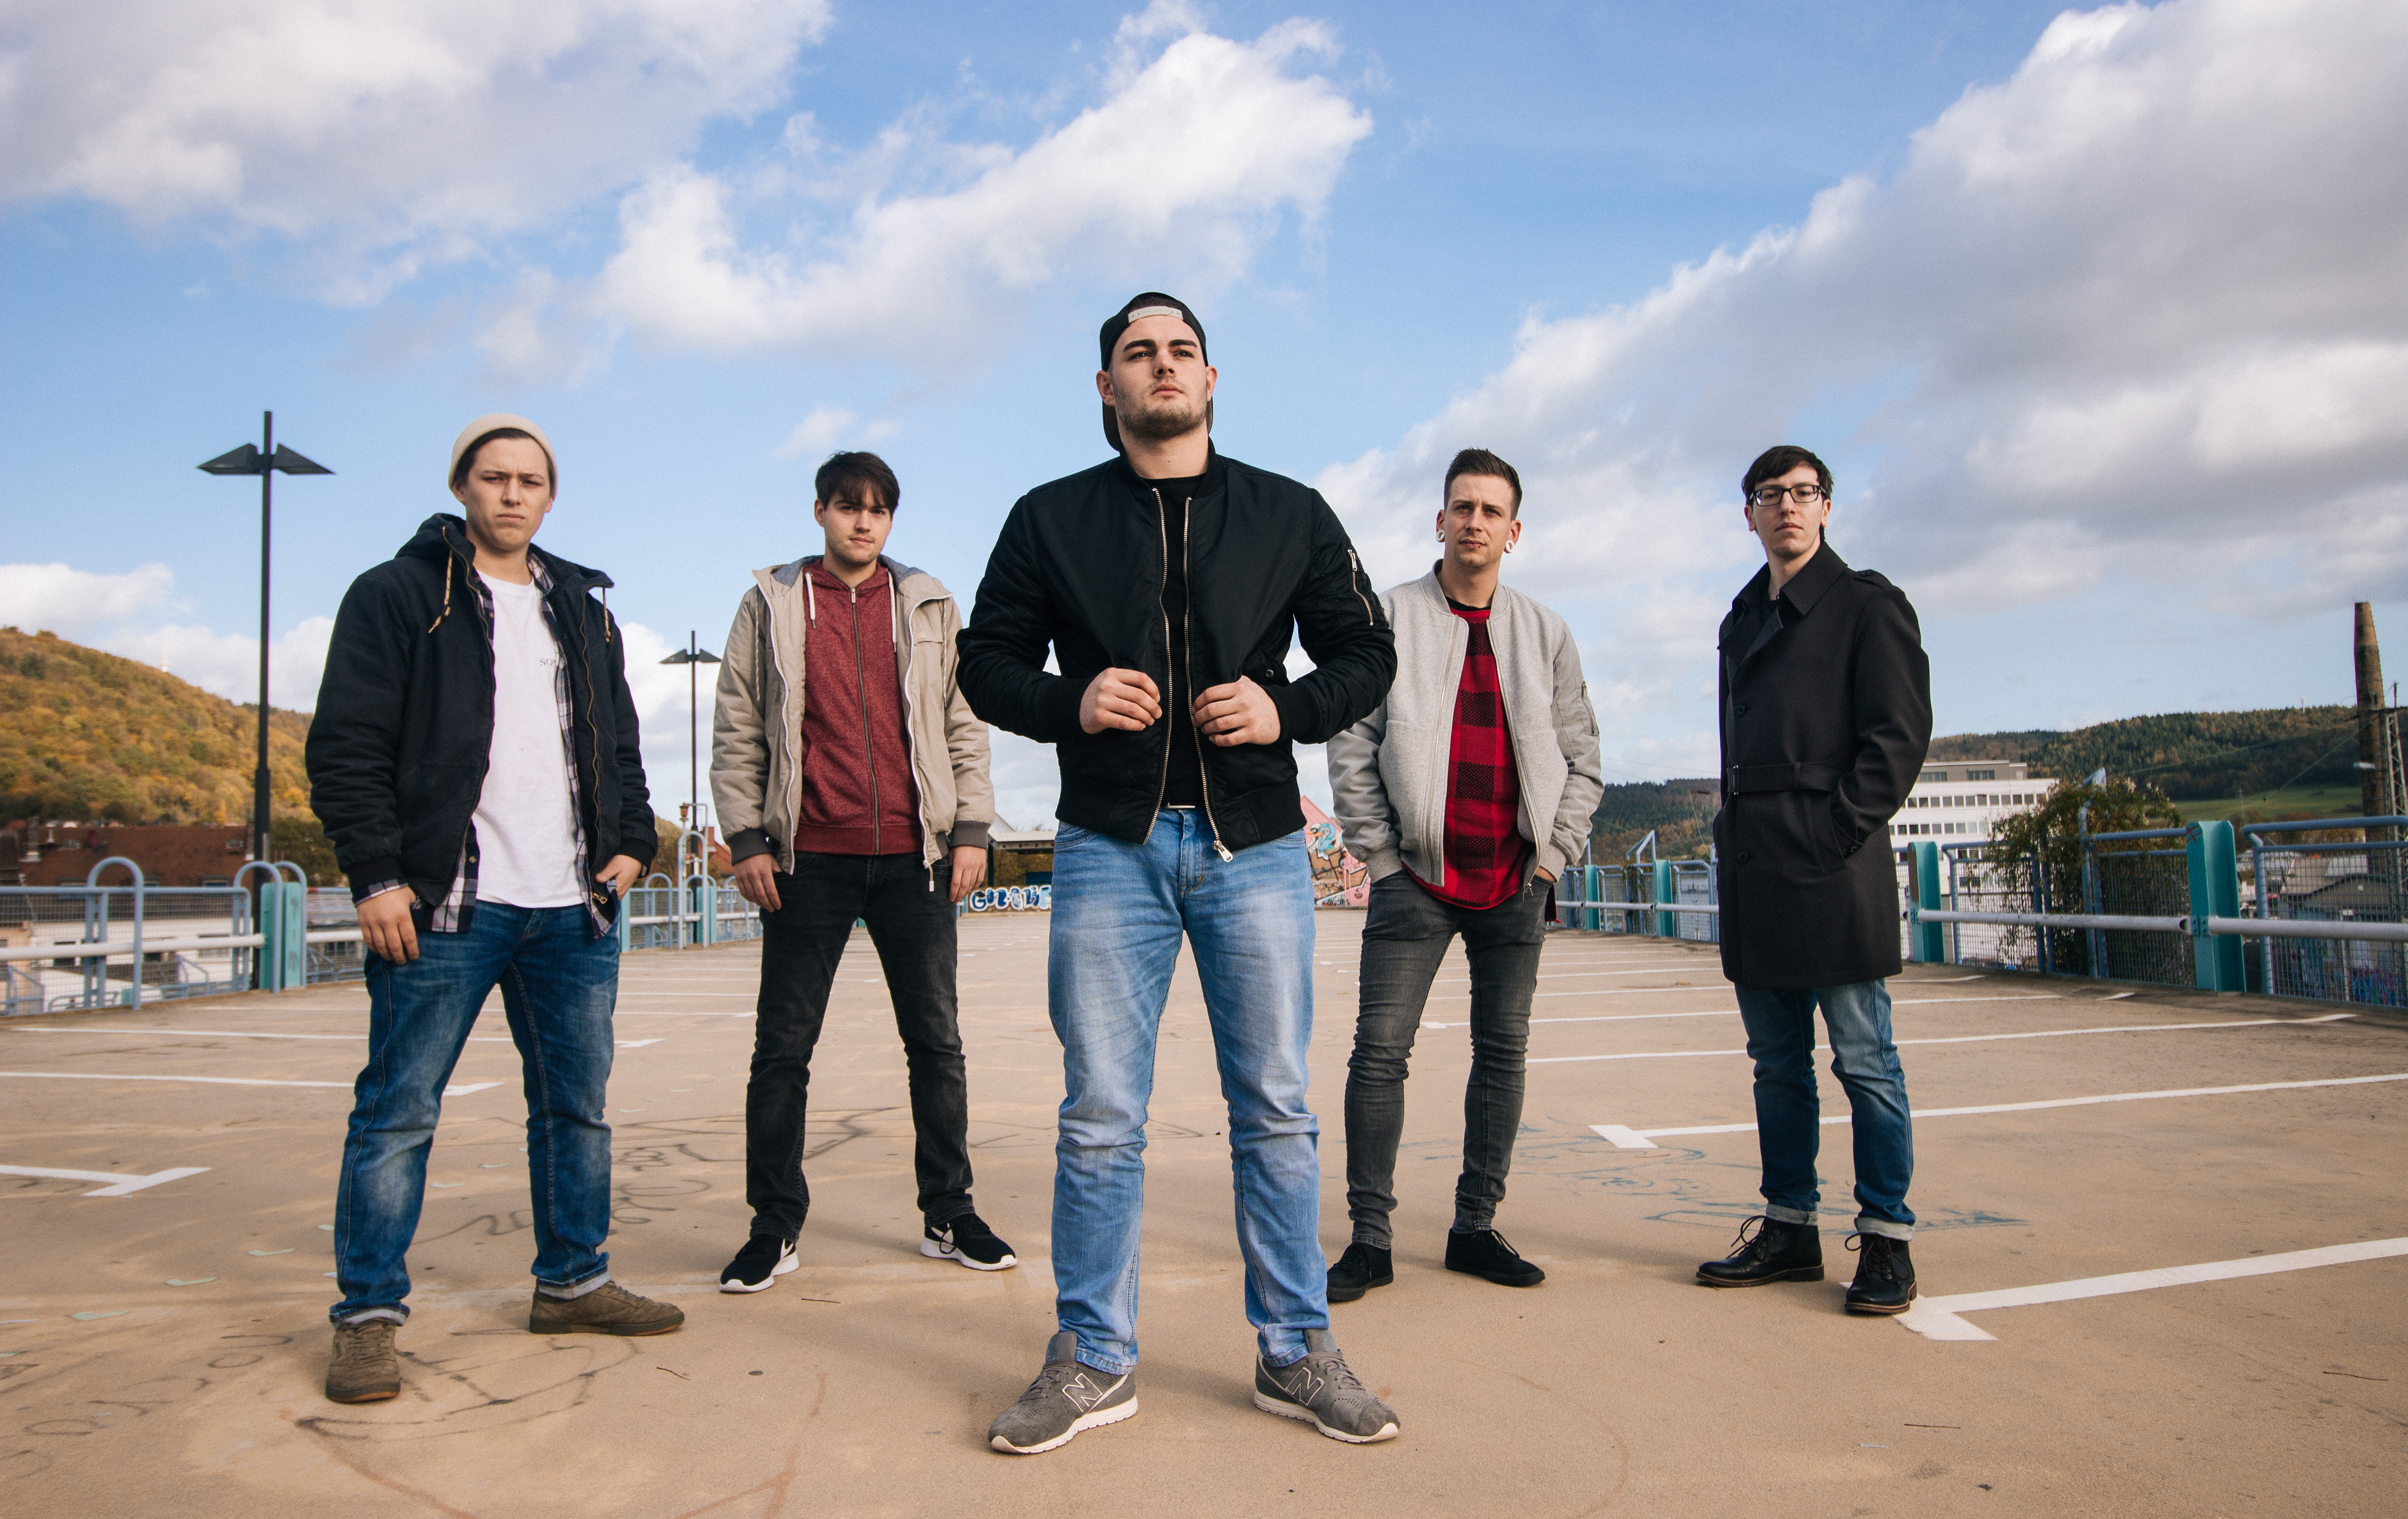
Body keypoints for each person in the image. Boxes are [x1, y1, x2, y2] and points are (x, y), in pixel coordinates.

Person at [959, 292, 1400, 1453]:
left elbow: (1366, 651)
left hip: (1255, 844)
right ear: (1106, 386)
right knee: (1101, 1116)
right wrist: (1070, 700)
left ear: (1211, 379)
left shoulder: (1288, 512)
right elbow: (985, 662)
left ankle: (1295, 1351)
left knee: (1275, 1110)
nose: (1162, 365)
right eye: (1138, 352)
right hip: (1110, 844)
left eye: (1181, 351)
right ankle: (1094, 1357)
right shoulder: (1050, 518)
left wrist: (1284, 709)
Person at [308, 413, 677, 1407]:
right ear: (461, 487)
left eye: (530, 480)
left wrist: (634, 843)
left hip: (573, 906)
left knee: (575, 1111)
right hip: (447, 903)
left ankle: (573, 1282)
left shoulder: (585, 611)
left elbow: (623, 743)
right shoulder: (399, 595)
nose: (513, 494)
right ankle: (368, 1316)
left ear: (550, 497)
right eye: (494, 477)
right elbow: (346, 743)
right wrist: (376, 874)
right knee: (398, 1113)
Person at [708, 449, 1008, 1292]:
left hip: (916, 857)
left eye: (877, 509)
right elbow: (737, 725)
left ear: (890, 518)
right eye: (848, 506)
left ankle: (948, 1211)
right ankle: (774, 1225)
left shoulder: (928, 602)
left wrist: (971, 828)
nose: (863, 521)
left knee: (936, 1043)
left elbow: (962, 719)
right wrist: (746, 837)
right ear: (820, 512)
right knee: (782, 1050)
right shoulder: (770, 601)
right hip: (807, 859)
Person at [1323, 449, 1602, 1302]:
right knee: (1380, 1053)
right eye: (1461, 506)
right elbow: (1350, 744)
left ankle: (1474, 1227)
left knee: (1502, 1053)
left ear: (1513, 532)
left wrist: (1551, 857)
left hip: (1515, 879)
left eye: (1490, 510)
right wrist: (1380, 857)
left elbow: (1584, 758)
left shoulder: (1545, 631)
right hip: (1414, 877)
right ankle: (1369, 1239)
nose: (1474, 521)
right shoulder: (1388, 617)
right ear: (1439, 520)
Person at [1696, 444, 1931, 1314]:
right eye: (1770, 494)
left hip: (1831, 866)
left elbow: (1898, 737)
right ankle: (1789, 1226)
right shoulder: (1738, 618)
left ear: (1826, 507)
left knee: (1864, 1059)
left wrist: (1834, 830)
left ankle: (1887, 1238)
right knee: (1775, 1064)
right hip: (1756, 866)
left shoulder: (1867, 605)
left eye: (1803, 493)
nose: (1787, 507)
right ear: (1749, 514)